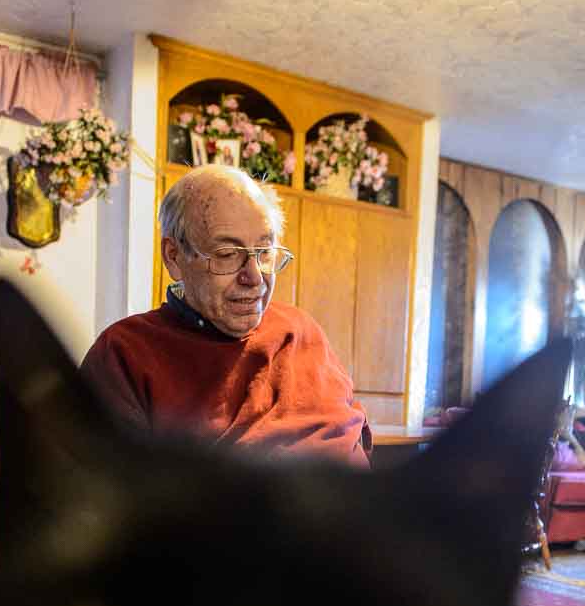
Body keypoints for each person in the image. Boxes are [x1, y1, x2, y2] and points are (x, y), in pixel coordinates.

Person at [80, 164, 371, 466]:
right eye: (228, 255)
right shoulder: (124, 353)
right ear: (174, 257)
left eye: (265, 252)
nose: (255, 277)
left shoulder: (301, 331)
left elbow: (353, 430)